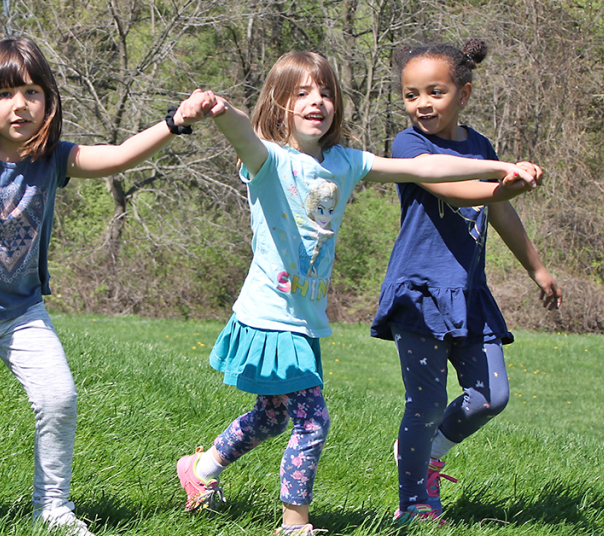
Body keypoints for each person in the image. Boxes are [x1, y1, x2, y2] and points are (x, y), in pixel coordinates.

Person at [172, 51, 541, 536]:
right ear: (278, 104)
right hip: (266, 315)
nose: (316, 102)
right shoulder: (269, 159)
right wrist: (219, 108)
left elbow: (424, 170)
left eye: (325, 92)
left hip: (304, 318)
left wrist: (501, 168)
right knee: (311, 422)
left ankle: (199, 471)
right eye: (301, 94)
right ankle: (294, 526)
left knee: (271, 416)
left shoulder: (346, 163)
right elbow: (242, 132)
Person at [0, 36, 211, 536]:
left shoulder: (52, 159)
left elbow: (116, 157)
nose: (19, 105)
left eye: (31, 92)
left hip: (22, 312)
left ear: (48, 100)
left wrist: (175, 121)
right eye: (4, 94)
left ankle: (52, 507)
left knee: (59, 398)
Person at [370, 39, 562, 525]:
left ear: (465, 93)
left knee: (492, 395)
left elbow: (498, 208)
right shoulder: (409, 146)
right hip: (421, 291)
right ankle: (413, 503)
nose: (422, 104)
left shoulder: (480, 146)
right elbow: (452, 191)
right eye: (412, 95)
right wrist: (505, 178)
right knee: (428, 400)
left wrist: (537, 269)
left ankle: (423, 451)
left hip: (469, 292)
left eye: (435, 92)